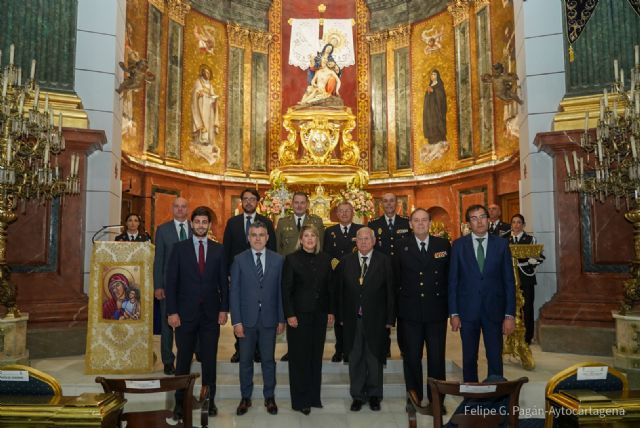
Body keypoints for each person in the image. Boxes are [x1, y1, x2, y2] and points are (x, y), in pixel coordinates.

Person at [166, 206, 228, 419]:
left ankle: (209, 402)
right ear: (192, 224)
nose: (201, 225)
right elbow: (171, 283)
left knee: (209, 360)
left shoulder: (218, 249)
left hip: (211, 315)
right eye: (198, 222)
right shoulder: (179, 248)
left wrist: (224, 309)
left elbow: (223, 284)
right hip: (184, 315)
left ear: (209, 225)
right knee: (183, 361)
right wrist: (172, 311)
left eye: (205, 222)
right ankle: (179, 404)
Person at [449, 204, 516, 382]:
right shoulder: (458, 246)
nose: (479, 222)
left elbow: (509, 282)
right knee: (469, 358)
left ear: (488, 219)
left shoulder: (501, 245)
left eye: (482, 217)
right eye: (474, 218)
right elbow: (453, 282)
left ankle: (495, 397)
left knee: (495, 357)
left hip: (494, 311)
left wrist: (510, 314)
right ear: (468, 223)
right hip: (467, 312)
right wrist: (454, 313)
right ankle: (471, 397)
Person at [394, 208, 450, 414]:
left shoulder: (442, 245)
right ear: (410, 224)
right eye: (416, 221)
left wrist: (452, 312)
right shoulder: (401, 247)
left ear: (430, 223)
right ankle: (413, 397)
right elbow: (396, 281)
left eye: (424, 220)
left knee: (436, 358)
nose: (420, 224)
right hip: (410, 313)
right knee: (411, 358)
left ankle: (437, 399)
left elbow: (448, 280)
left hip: (436, 311)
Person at [336, 227, 395, 412]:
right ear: (356, 241)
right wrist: (341, 316)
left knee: (374, 358)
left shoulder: (384, 261)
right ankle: (358, 396)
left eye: (367, 239)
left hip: (377, 319)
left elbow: (391, 292)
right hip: (352, 320)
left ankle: (375, 395)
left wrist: (390, 319)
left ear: (374, 241)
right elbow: (338, 292)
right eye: (360, 239)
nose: (363, 242)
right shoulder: (345, 262)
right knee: (355, 358)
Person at [229, 221, 285, 416]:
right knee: (245, 361)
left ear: (268, 237)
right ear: (248, 238)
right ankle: (246, 397)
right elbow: (234, 292)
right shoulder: (239, 260)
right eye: (254, 235)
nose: (258, 238)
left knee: (268, 360)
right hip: (246, 321)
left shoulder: (278, 260)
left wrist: (281, 319)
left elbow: (280, 291)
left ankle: (269, 397)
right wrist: (236, 321)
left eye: (262, 235)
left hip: (269, 320)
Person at [282, 224, 334, 415]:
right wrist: (289, 314)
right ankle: (300, 400)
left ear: (317, 239)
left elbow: (330, 288)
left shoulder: (325, 259)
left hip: (319, 315)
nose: (310, 239)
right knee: (299, 359)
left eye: (313, 236)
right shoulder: (291, 259)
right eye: (306, 236)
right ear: (301, 239)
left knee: (315, 358)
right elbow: (286, 290)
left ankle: (314, 397)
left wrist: (330, 311)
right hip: (299, 317)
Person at [223, 188, 277, 363]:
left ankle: (259, 351)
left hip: (262, 276)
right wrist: (228, 274)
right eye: (245, 199)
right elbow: (226, 251)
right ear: (241, 201)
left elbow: (273, 250)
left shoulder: (267, 223)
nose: (248, 202)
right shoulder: (232, 223)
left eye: (252, 199)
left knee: (260, 314)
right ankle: (240, 349)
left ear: (257, 202)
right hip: (240, 276)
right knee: (241, 311)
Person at [275, 191, 325, 361]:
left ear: (307, 204)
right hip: (290, 272)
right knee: (292, 307)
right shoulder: (282, 223)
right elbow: (278, 249)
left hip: (310, 274)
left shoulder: (316, 222)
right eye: (296, 202)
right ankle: (292, 349)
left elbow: (321, 247)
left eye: (302, 202)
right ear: (291, 204)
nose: (299, 205)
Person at [368, 192, 411, 357]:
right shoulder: (373, 225)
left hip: (403, 276)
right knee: (382, 313)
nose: (389, 204)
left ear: (397, 203)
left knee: (403, 314)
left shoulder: (406, 223)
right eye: (385, 201)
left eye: (392, 201)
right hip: (381, 276)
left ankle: (404, 348)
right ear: (381, 204)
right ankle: (384, 348)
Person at [153, 197, 191, 375]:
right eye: (177, 206)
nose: (180, 210)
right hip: (168, 285)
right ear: (172, 208)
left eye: (184, 207)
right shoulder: (163, 230)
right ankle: (168, 360)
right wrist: (158, 285)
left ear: (188, 209)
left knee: (190, 322)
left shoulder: (196, 227)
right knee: (167, 324)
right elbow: (158, 259)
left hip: (190, 286)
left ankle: (189, 354)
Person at [323, 201, 363, 362]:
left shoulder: (359, 230)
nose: (345, 214)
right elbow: (326, 254)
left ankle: (350, 349)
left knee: (353, 315)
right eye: (341, 211)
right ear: (337, 214)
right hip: (336, 279)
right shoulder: (330, 231)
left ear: (353, 212)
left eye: (347, 211)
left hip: (356, 280)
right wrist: (337, 266)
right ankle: (339, 349)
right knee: (339, 315)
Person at [510, 214, 545, 345]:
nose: (516, 225)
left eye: (519, 222)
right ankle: (512, 334)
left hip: (526, 277)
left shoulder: (530, 239)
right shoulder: (506, 240)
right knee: (512, 307)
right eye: (513, 222)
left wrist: (533, 261)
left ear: (523, 225)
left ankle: (527, 336)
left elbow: (540, 257)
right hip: (511, 278)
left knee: (527, 307)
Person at [191, 64, 220, 148]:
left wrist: (215, 99)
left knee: (209, 122)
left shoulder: (210, 85)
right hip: (201, 106)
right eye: (206, 73)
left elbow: (212, 94)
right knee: (203, 121)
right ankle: (201, 140)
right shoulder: (198, 82)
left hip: (209, 106)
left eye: (209, 73)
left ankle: (209, 140)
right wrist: (199, 94)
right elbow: (195, 93)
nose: (208, 74)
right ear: (202, 73)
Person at [422, 69, 447, 144]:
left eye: (434, 74)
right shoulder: (430, 85)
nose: (433, 76)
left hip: (436, 111)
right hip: (430, 111)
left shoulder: (439, 85)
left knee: (437, 126)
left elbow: (442, 97)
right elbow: (427, 99)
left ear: (437, 76)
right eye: (432, 74)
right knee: (430, 124)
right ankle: (432, 141)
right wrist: (428, 93)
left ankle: (439, 141)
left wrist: (434, 91)